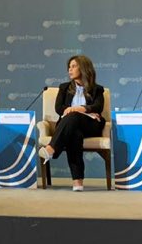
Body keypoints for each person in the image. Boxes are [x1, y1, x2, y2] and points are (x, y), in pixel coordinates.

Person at [38, 54, 105, 192]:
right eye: (69, 67)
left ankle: (51, 149)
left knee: (73, 115)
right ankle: (77, 181)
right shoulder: (64, 87)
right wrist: (80, 110)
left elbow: (98, 107)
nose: (70, 69)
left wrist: (80, 109)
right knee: (75, 135)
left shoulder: (97, 89)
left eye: (74, 66)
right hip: (69, 125)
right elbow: (59, 108)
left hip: (90, 125)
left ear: (84, 68)